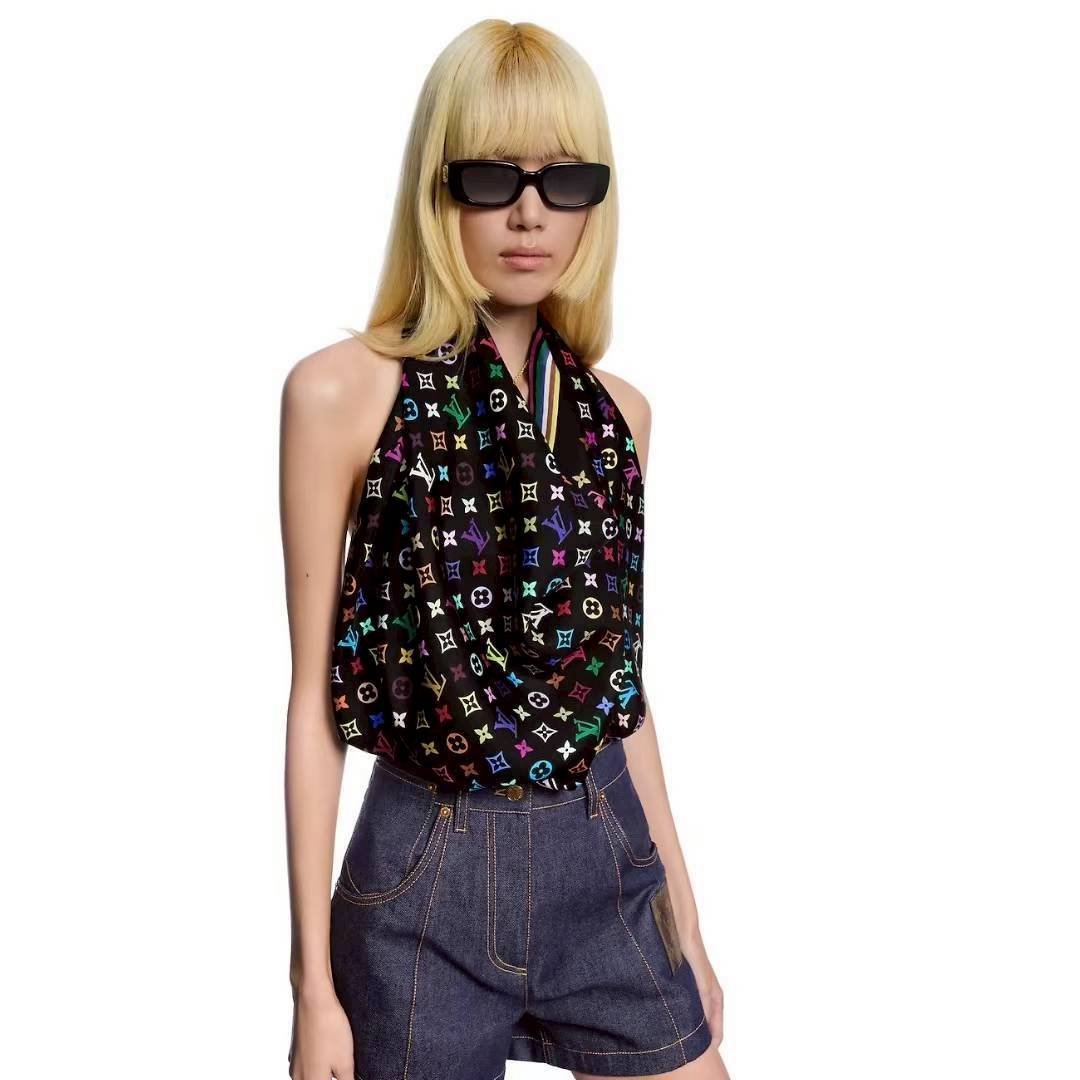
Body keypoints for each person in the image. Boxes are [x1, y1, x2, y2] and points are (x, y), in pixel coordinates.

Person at [281, 19, 731, 1080]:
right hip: (426, 870)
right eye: (491, 178)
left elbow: (619, 691)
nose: (530, 214)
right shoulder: (341, 394)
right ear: (437, 190)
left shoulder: (618, 416)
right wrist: (312, 988)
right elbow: (312, 701)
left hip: (603, 852)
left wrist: (689, 917)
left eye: (565, 181)